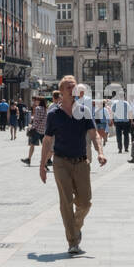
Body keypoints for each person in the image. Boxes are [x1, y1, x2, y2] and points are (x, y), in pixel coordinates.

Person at [40, 75, 107, 256]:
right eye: (69, 87)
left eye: (74, 86)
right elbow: (47, 141)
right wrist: (42, 165)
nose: (73, 89)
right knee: (66, 203)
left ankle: (75, 228)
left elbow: (94, 134)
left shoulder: (84, 111)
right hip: (61, 162)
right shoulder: (53, 114)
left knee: (85, 202)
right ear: (61, 91)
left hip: (81, 161)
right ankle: (73, 242)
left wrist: (100, 152)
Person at [22, 94, 48, 167]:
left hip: (37, 129)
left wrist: (32, 127)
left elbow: (36, 120)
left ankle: (29, 159)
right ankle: (45, 161)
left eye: (36, 100)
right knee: (44, 146)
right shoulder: (45, 109)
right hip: (43, 130)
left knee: (32, 144)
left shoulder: (38, 108)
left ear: (39, 101)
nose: (35, 101)